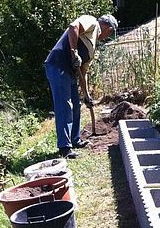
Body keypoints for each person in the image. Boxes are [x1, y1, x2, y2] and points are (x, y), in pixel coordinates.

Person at [44, 13, 118, 158]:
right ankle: (64, 148)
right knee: (64, 107)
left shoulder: (92, 46)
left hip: (70, 73)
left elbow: (83, 73)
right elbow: (73, 27)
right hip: (58, 65)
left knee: (76, 106)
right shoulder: (92, 22)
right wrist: (74, 52)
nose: (107, 37)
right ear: (108, 29)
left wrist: (87, 95)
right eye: (109, 34)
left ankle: (75, 140)